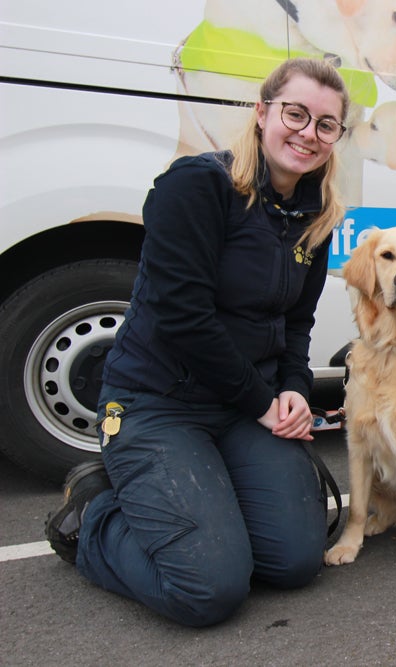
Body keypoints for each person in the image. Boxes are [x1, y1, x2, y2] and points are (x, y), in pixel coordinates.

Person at [44, 57, 350, 626]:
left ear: (336, 138)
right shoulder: (197, 185)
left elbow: (297, 324)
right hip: (157, 402)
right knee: (208, 590)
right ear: (262, 113)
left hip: (240, 406)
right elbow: (183, 318)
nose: (308, 133)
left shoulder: (315, 216)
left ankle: (203, 502)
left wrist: (293, 391)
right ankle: (93, 517)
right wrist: (263, 404)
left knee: (294, 562)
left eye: (326, 124)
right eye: (296, 114)